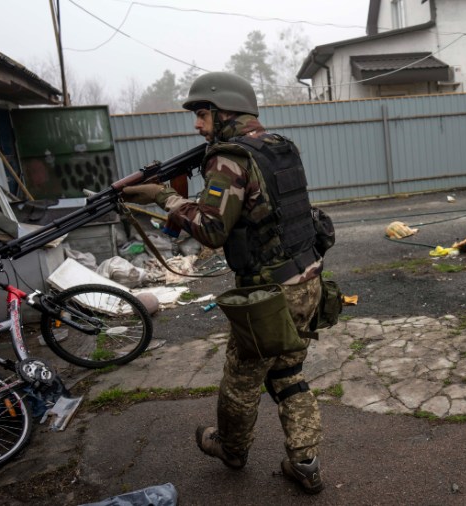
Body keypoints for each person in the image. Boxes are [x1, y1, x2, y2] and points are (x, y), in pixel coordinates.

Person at [122, 72, 325, 494]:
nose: (197, 124)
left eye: (202, 114)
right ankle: (305, 462)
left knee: (241, 381)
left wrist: (164, 197)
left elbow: (212, 230)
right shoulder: (278, 148)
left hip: (268, 295)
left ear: (224, 111)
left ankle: (231, 450)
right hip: (308, 279)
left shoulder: (229, 159)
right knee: (289, 373)